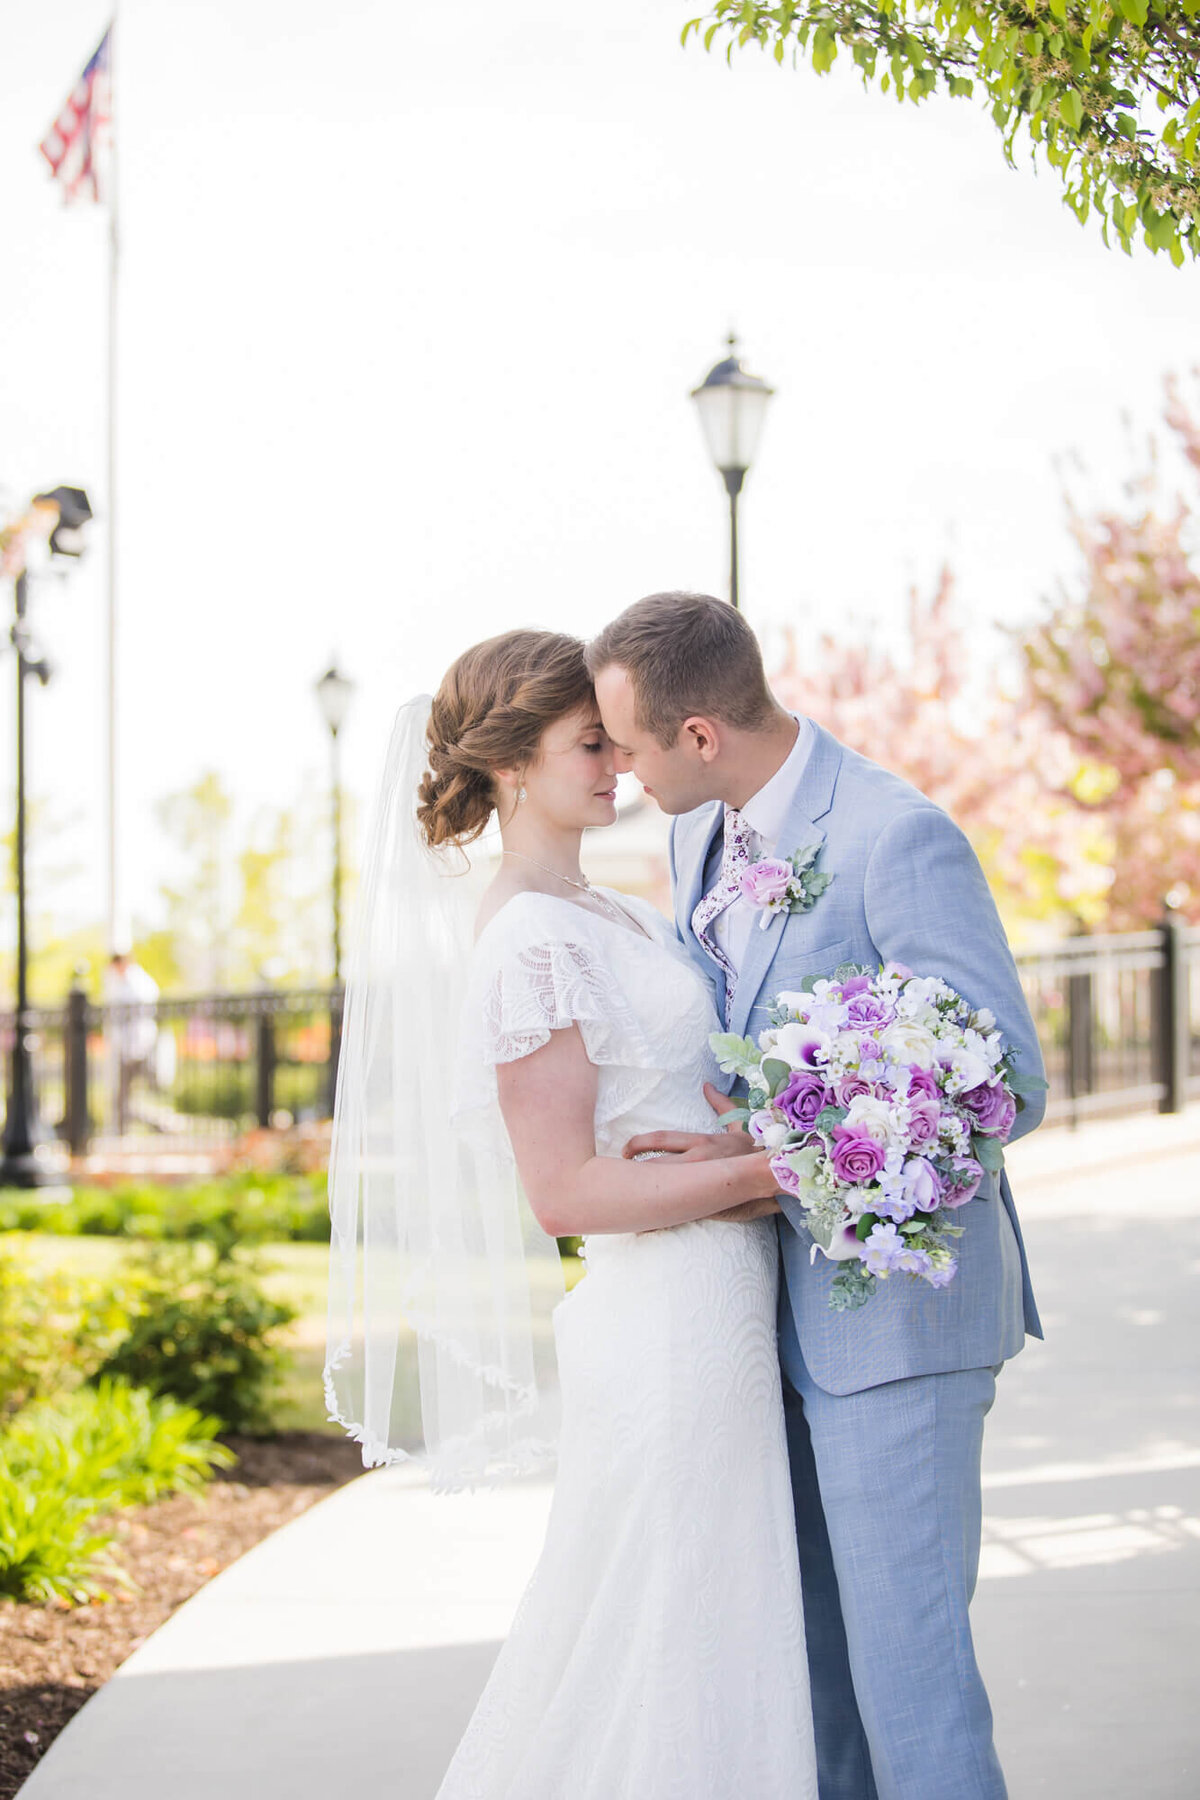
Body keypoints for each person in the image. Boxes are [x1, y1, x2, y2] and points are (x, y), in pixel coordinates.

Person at [324, 628, 819, 1797]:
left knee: (706, 1631)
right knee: (660, 1639)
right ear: (507, 765)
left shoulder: (615, 912)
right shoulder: (531, 941)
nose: (618, 764)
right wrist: (776, 1172)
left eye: (615, 740)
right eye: (588, 744)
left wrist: (762, 1139)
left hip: (720, 1309)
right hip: (667, 1329)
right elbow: (564, 1189)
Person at [586, 591, 1048, 1800]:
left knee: (914, 1687)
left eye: (629, 747)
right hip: (747, 1330)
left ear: (697, 734)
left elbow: (1002, 1082)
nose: (621, 773)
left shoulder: (899, 837)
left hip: (894, 1328)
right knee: (813, 1694)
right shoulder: (696, 836)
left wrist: (769, 1174)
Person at [101, 947, 161, 1136]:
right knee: (126, 1093)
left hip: (138, 1047)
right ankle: (124, 1128)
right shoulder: (124, 984)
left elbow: (137, 1018)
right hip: (131, 1047)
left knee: (130, 1092)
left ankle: (155, 1125)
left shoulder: (137, 983)